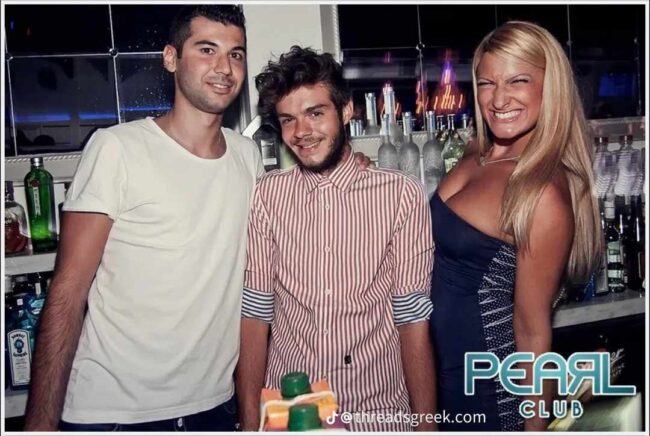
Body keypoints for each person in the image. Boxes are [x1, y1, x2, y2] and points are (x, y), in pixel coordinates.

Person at [24, 5, 260, 431]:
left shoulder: (247, 156)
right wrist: (40, 424)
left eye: (236, 54)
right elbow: (68, 292)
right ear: (171, 58)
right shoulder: (117, 149)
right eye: (207, 50)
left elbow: (251, 288)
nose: (224, 68)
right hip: (114, 414)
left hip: (213, 409)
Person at [236, 46, 437, 432]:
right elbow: (256, 312)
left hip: (375, 411)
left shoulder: (400, 194)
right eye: (288, 120)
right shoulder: (267, 194)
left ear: (345, 111)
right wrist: (248, 423)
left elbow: (412, 319)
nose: (301, 132)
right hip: (291, 410)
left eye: (315, 113)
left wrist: (426, 426)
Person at [429, 21, 602, 431]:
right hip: (440, 379)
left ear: (550, 87)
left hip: (489, 391)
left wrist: (534, 428)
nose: (499, 98)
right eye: (487, 83)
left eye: (517, 81)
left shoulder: (543, 193)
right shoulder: (478, 151)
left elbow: (532, 334)